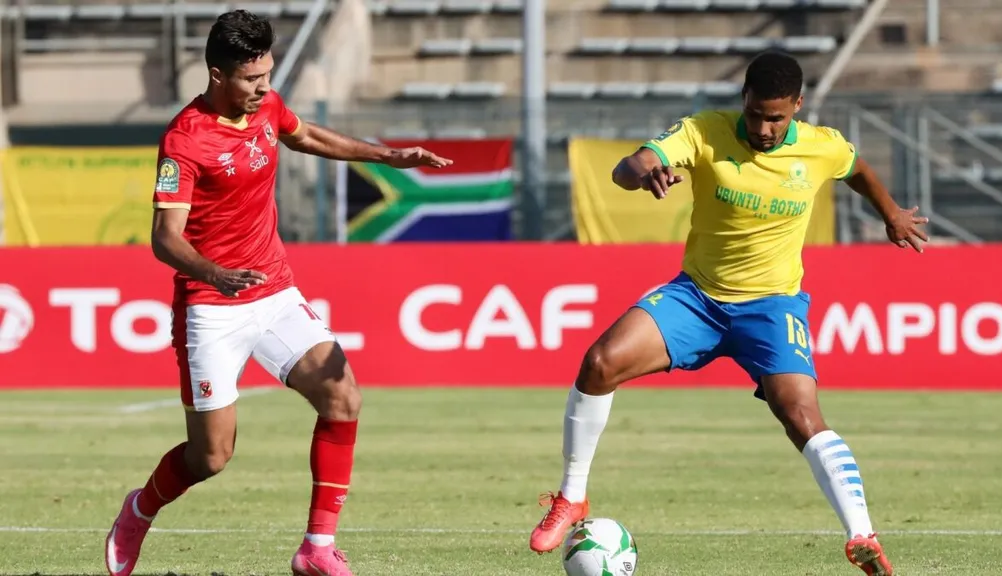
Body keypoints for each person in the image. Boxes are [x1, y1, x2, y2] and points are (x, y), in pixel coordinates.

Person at [528, 51, 927, 576]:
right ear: (743, 99)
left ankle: (861, 535)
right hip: (698, 298)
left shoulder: (820, 147)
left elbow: (859, 170)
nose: (764, 128)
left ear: (797, 107)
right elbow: (630, 165)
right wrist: (647, 172)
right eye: (757, 114)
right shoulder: (703, 131)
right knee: (600, 362)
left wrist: (892, 213)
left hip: (772, 306)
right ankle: (573, 498)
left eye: (777, 117)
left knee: (801, 415)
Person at [103, 10, 452, 576]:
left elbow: (307, 135)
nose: (263, 89)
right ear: (218, 75)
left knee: (343, 397)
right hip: (210, 306)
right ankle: (139, 508)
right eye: (251, 79)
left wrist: (386, 156)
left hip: (273, 291)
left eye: (267, 76)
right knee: (211, 457)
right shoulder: (183, 140)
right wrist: (213, 273)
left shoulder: (265, 104)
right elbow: (164, 238)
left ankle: (316, 548)